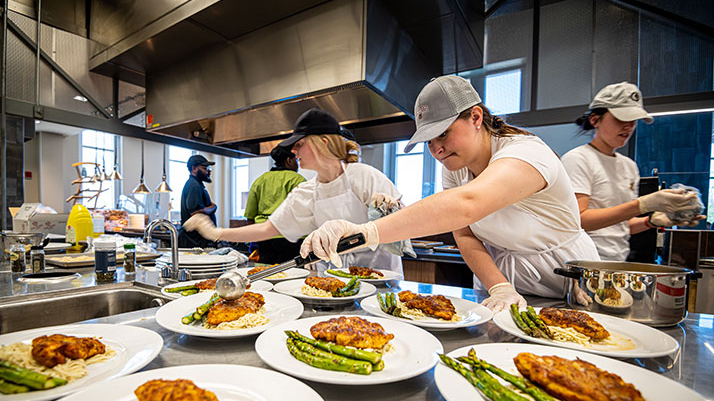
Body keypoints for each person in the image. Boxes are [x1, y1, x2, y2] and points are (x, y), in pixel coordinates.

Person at [298, 75, 601, 311]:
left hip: (566, 282)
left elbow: (466, 205)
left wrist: (366, 231)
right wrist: (499, 286)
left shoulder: (527, 153)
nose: (437, 148)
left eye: (443, 133)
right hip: (502, 281)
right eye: (428, 140)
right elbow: (465, 234)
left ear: (476, 118)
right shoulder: (455, 167)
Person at [184, 108, 405, 273]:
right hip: (337, 281)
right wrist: (217, 232)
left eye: (299, 144)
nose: (293, 150)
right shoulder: (307, 192)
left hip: (379, 278)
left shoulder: (364, 176)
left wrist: (388, 212)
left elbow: (400, 232)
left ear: (324, 142)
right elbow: (267, 229)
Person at [561, 82, 703, 261]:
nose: (628, 126)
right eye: (620, 119)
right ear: (595, 120)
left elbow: (618, 226)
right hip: (585, 262)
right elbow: (579, 221)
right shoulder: (578, 159)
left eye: (633, 120)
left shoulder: (629, 166)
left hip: (617, 262)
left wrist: (649, 221)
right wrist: (641, 205)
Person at [243, 145, 306, 263]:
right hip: (291, 238)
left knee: (267, 272)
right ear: (289, 160)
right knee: (292, 273)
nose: (297, 164)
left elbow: (250, 216)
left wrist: (255, 239)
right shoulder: (297, 180)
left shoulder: (260, 180)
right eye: (296, 160)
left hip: (265, 236)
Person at [177, 154, 218, 248]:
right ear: (194, 168)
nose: (208, 171)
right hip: (194, 244)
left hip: (198, 242)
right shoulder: (193, 185)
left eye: (209, 168)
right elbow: (196, 213)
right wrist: (213, 207)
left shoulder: (198, 185)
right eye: (205, 168)